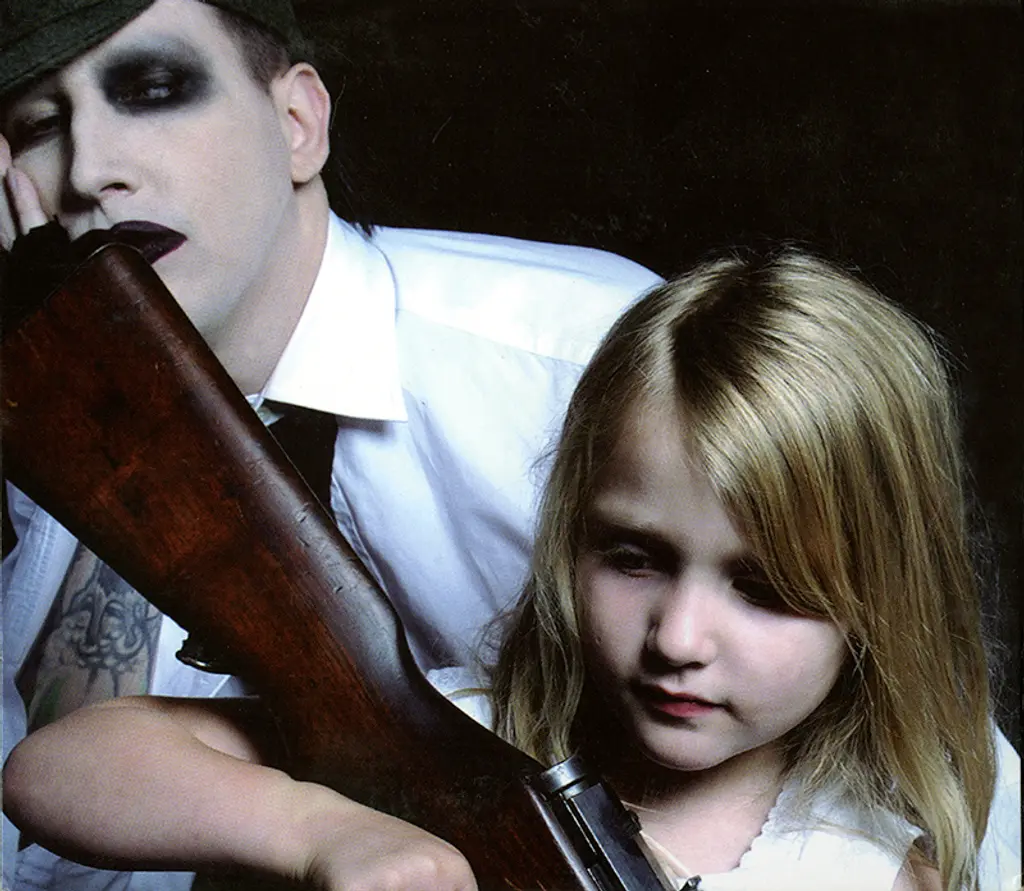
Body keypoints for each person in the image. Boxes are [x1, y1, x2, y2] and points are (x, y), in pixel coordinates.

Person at [5, 251, 1021, 891]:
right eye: (633, 557)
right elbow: (55, 770)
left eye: (764, 590)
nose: (677, 638)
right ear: (571, 531)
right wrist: (319, 832)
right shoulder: (460, 749)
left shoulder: (888, 867)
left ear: (879, 601)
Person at [0, 0, 662, 888]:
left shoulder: (589, 369)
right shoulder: (54, 406)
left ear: (298, 124)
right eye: (40, 126)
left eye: (154, 90)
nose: (89, 171)